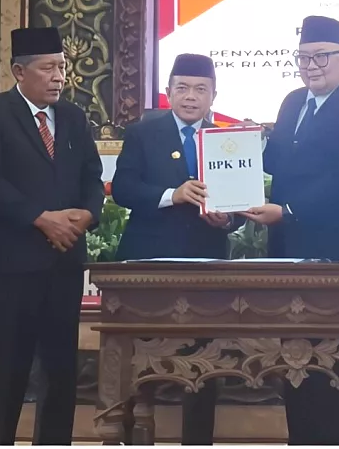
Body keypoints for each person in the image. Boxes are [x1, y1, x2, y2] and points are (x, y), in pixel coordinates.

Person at [241, 15, 339, 444]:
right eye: (303, 58)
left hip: (338, 253)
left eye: (321, 56)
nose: (311, 66)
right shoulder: (292, 103)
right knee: (296, 353)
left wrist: (288, 210)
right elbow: (276, 161)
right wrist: (239, 146)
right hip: (288, 249)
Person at [0, 27, 104, 445]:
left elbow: (92, 176)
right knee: (5, 367)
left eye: (62, 67)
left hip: (65, 263)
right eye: (48, 68)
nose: (59, 77)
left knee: (61, 369)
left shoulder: (74, 117)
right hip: (15, 265)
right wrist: (39, 218)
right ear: (19, 71)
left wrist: (86, 216)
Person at [112, 53, 242, 443]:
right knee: (137, 358)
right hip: (149, 263)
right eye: (182, 88)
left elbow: (239, 203)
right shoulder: (142, 134)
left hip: (206, 264)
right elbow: (123, 190)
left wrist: (227, 220)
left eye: (200, 89)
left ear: (214, 95)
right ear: (168, 92)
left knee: (205, 359)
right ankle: (129, 436)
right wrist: (173, 194)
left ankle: (198, 441)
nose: (190, 97)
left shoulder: (228, 141)